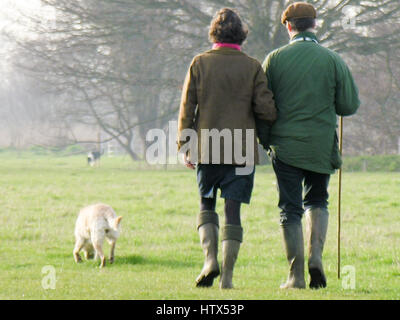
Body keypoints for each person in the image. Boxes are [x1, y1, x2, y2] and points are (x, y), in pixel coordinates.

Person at [262, 2, 360, 289]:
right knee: (318, 199)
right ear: (315, 26)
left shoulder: (274, 59)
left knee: (290, 208)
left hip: (286, 147)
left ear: (288, 27)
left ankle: (295, 276)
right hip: (320, 147)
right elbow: (349, 105)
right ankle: (316, 257)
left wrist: (265, 140)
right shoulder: (333, 60)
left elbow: (264, 107)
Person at [177, 8, 276, 289]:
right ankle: (228, 279)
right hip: (241, 152)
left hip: (207, 150)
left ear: (214, 34)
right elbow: (266, 110)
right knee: (233, 212)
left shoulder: (199, 63)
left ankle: (210, 262)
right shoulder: (253, 66)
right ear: (241, 35)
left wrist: (185, 145)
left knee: (206, 203)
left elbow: (187, 108)